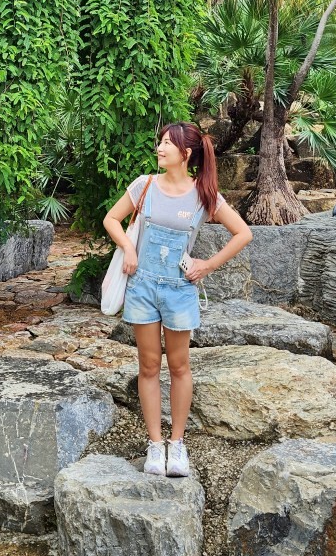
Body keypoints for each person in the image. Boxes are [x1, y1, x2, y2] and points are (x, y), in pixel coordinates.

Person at [103, 121, 254, 477]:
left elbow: (242, 233)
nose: (160, 148)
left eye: (167, 144)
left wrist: (207, 265)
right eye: (160, 142)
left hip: (179, 292)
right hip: (142, 287)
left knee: (180, 366)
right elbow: (111, 219)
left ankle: (177, 444)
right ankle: (154, 445)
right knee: (149, 367)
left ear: (186, 154)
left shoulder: (205, 195)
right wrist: (127, 247)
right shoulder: (145, 186)